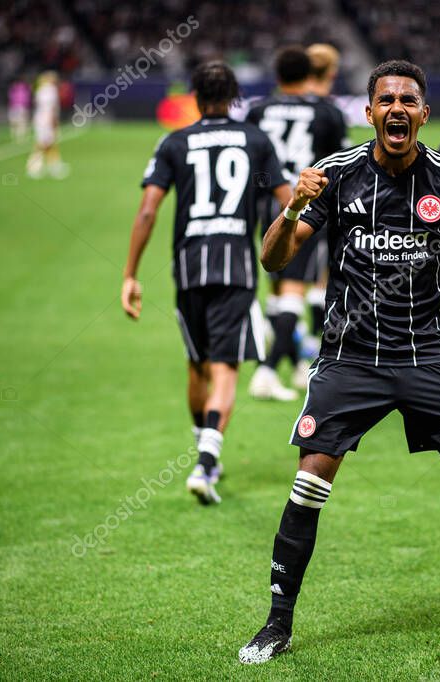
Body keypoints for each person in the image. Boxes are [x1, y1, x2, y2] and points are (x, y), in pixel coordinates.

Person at [238, 60, 440, 666]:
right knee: (309, 484)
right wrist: (292, 208)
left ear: (424, 113)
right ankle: (277, 622)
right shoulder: (336, 175)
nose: (397, 108)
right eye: (386, 100)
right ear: (370, 112)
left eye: (408, 100)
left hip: (427, 354)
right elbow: (274, 261)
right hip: (349, 359)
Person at [122, 61, 291, 505]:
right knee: (226, 365)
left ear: (195, 96)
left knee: (197, 361)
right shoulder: (254, 140)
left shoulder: (175, 142)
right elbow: (284, 198)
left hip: (189, 266)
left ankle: (203, 445)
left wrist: (130, 275)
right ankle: (207, 460)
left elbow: (147, 210)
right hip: (235, 264)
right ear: (234, 96)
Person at [246, 46, 350, 400]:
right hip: (306, 203)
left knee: (279, 290)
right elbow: (343, 164)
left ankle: (294, 366)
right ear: (309, 75)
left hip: (266, 204)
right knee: (295, 289)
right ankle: (268, 370)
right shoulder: (327, 112)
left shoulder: (258, 110)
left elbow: (250, 161)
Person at [27, 71, 68, 179]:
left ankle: (52, 165)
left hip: (40, 120)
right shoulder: (50, 90)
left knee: (47, 144)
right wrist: (53, 122)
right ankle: (36, 166)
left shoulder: (40, 89)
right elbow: (51, 108)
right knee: (44, 144)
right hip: (46, 121)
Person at [8, 77, 31, 143]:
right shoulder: (24, 89)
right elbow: (26, 99)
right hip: (21, 107)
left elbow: (10, 98)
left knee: (16, 123)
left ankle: (16, 136)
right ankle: (20, 137)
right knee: (21, 123)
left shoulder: (14, 89)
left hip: (15, 107)